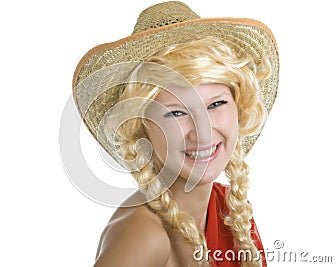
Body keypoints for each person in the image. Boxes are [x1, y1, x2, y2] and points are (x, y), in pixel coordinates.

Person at [71, 1, 279, 266]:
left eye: (216, 104)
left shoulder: (231, 214)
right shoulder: (143, 237)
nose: (203, 132)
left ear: (239, 110)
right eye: (176, 112)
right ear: (141, 127)